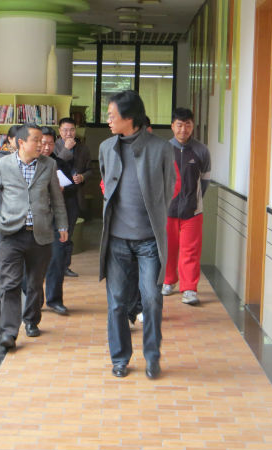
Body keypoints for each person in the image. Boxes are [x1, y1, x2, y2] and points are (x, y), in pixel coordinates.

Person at [99, 90, 176, 379]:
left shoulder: (160, 148)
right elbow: (107, 184)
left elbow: (168, 190)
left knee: (152, 298)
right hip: (116, 240)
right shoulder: (106, 147)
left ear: (129, 117)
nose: (108, 120)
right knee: (117, 302)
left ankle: (152, 357)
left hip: (149, 241)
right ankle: (120, 358)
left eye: (112, 115)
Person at [0, 124, 68, 349]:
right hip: (11, 234)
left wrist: (62, 225)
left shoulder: (49, 165)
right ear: (21, 143)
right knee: (10, 283)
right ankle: (9, 332)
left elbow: (56, 199)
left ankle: (31, 320)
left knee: (35, 283)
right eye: (36, 140)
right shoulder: (2, 165)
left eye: (43, 141)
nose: (42, 145)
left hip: (40, 233)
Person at [162, 107, 211, 305]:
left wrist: (194, 199)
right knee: (168, 248)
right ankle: (168, 281)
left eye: (188, 125)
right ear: (172, 126)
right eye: (179, 125)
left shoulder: (201, 150)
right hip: (167, 210)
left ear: (192, 126)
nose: (183, 129)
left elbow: (205, 180)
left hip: (193, 211)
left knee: (190, 251)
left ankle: (189, 288)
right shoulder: (164, 149)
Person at [53, 117, 92, 278]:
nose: (69, 133)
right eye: (65, 130)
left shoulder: (83, 148)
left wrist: (82, 177)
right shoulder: (53, 146)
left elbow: (90, 170)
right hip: (56, 196)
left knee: (68, 232)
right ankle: (52, 266)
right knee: (55, 232)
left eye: (72, 130)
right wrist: (66, 149)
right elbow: (54, 165)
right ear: (59, 131)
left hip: (74, 196)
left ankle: (65, 266)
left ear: (76, 130)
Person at [41, 126, 73, 315]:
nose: (47, 147)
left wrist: (63, 189)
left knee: (57, 259)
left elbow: (72, 187)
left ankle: (54, 300)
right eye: (43, 143)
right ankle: (33, 300)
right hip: (33, 220)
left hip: (55, 218)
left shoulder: (59, 163)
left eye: (50, 143)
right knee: (30, 263)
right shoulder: (29, 163)